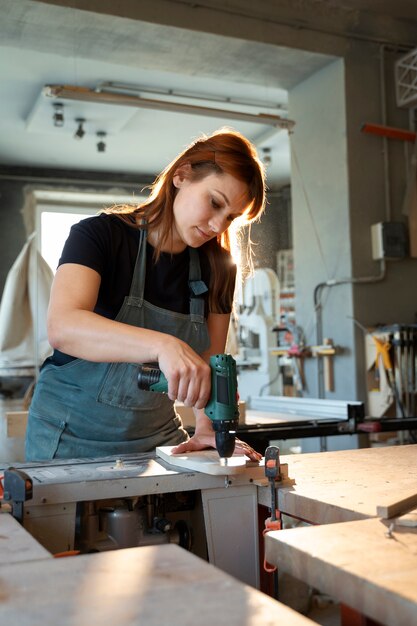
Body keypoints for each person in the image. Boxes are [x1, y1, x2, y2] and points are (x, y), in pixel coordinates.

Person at [25, 128, 266, 462]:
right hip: (69, 435)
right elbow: (63, 327)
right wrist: (163, 345)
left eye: (230, 218)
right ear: (181, 176)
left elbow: (211, 362)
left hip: (158, 437)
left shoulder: (219, 267)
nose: (216, 226)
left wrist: (208, 429)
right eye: (214, 204)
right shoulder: (97, 236)